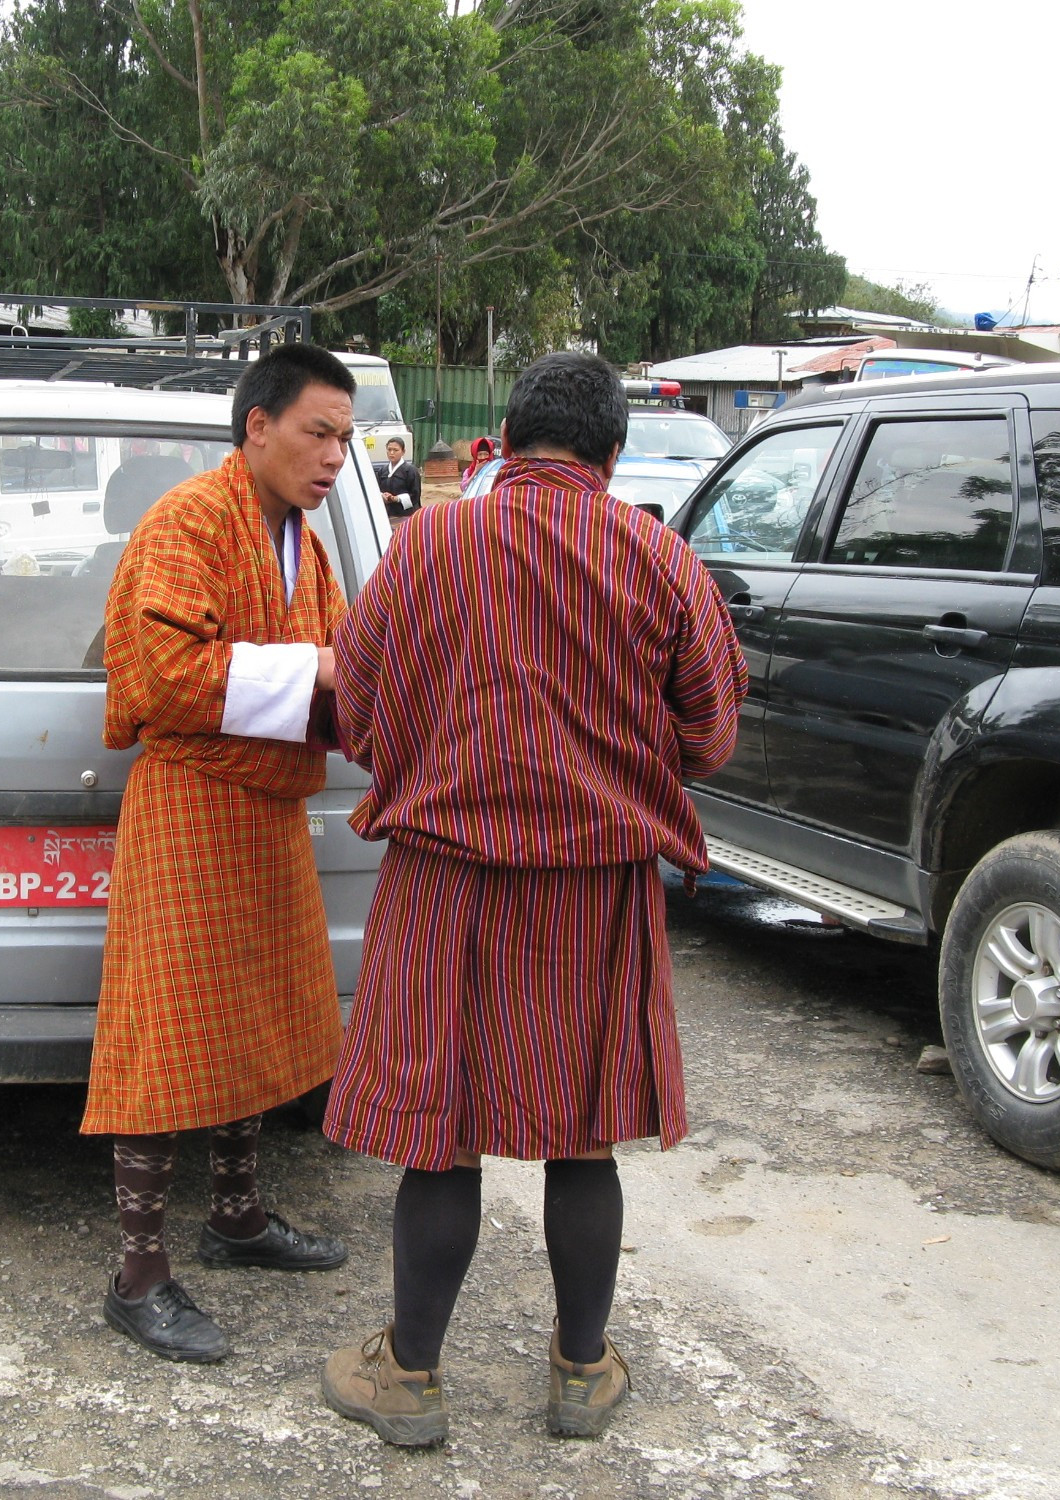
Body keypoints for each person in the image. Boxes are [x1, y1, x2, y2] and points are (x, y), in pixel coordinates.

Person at [316, 352, 749, 1445]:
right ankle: (578, 1369)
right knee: (582, 1138)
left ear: (503, 444)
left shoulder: (428, 547)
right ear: (611, 456)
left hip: (443, 877)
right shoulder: (659, 560)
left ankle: (409, 1379)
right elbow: (710, 734)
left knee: (441, 1134)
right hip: (592, 892)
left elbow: (354, 707)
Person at [81, 342, 359, 1363]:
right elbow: (164, 672)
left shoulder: (306, 545)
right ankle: (138, 1273)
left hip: (267, 810)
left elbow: (339, 675)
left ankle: (235, 1213)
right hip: (193, 803)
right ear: (256, 427)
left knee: (258, 1011)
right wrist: (321, 671)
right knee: (165, 1030)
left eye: (343, 437)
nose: (333, 457)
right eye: (314, 432)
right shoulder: (188, 521)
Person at [375, 438, 420, 519]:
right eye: (389, 449)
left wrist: (397, 499)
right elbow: (376, 489)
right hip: (388, 514)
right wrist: (382, 496)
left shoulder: (410, 471)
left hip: (406, 515)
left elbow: (415, 495)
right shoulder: (382, 470)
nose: (391, 453)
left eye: (395, 450)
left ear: (403, 452)